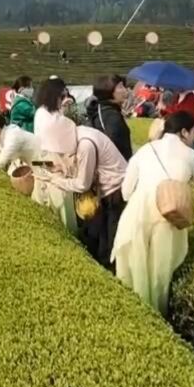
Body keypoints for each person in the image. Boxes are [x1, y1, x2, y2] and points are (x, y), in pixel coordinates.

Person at [112, 112, 194, 314]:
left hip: (137, 214)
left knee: (133, 270)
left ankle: (131, 315)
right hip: (168, 216)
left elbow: (126, 193)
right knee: (159, 274)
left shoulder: (145, 150)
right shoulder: (190, 155)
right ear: (184, 132)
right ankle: (157, 317)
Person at [35, 114, 128, 270]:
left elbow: (82, 184)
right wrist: (60, 168)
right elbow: (77, 164)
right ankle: (100, 263)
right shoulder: (78, 134)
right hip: (102, 188)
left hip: (114, 190)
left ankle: (111, 272)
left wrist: (54, 180)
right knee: (95, 232)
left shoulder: (85, 145)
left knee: (109, 239)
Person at [34, 77, 80, 234]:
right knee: (64, 216)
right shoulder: (62, 122)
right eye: (62, 96)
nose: (64, 99)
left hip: (40, 164)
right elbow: (72, 146)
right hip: (58, 170)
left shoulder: (40, 113)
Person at [86, 75, 133, 160]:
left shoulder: (100, 109)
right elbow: (116, 147)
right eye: (120, 87)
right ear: (109, 91)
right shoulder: (111, 116)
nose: (125, 90)